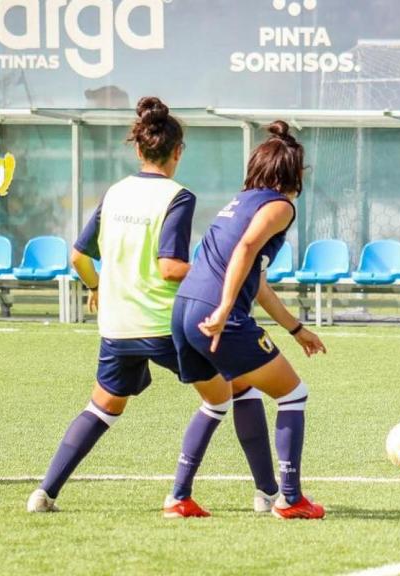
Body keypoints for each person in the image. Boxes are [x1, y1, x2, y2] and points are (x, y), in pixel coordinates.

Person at [27, 98, 281, 516]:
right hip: (166, 324)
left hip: (116, 326)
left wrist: (95, 287)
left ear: (138, 149)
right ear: (177, 151)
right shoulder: (177, 197)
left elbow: (78, 257)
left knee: (103, 406)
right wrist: (212, 271)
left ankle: (45, 493)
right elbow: (169, 267)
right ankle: (263, 494)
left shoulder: (115, 192)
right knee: (237, 388)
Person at [167, 120, 327, 519]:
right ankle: (289, 499)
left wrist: (296, 329)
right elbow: (247, 247)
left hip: (185, 309)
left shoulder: (238, 202)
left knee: (218, 401)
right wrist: (223, 310)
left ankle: (179, 497)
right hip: (214, 314)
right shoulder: (279, 206)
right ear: (293, 173)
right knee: (293, 394)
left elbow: (255, 281)